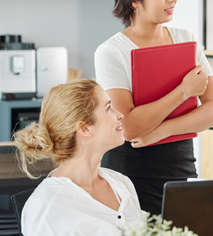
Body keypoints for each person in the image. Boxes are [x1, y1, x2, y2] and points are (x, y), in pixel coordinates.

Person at [94, 0, 213, 215]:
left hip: (180, 164)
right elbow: (129, 127)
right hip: (130, 173)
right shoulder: (111, 51)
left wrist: (160, 131)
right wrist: (183, 92)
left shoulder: (185, 40)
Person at [14, 79, 143, 236]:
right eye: (108, 108)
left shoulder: (121, 184)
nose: (120, 115)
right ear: (85, 128)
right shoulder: (47, 207)